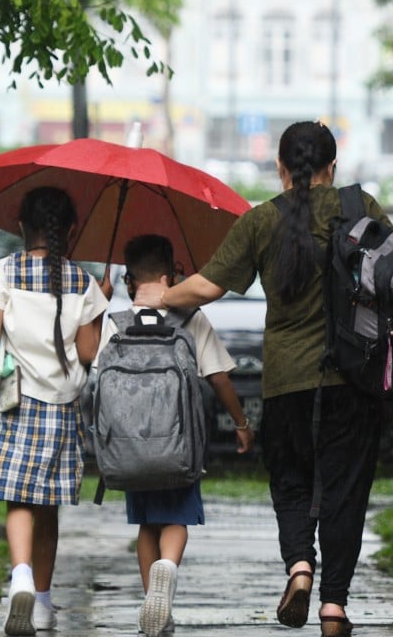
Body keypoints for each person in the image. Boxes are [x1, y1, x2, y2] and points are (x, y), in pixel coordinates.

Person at [136, 121, 390, 637]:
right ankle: (334, 607)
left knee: (291, 483)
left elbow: (206, 287)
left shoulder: (261, 221)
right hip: (352, 382)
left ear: (280, 168)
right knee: (345, 493)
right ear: (332, 168)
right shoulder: (360, 207)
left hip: (287, 381)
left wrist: (160, 295)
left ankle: (299, 566)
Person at [97, 234, 256, 637]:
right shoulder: (190, 319)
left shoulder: (115, 324)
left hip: (130, 449)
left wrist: (101, 299)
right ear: (171, 276)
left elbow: (93, 375)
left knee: (146, 525)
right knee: (177, 518)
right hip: (178, 444)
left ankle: (154, 597)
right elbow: (219, 378)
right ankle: (167, 570)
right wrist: (240, 422)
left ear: (130, 279)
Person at [0, 186, 109, 636]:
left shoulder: (2, 272)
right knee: (48, 503)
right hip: (63, 407)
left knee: (19, 498)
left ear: (19, 227)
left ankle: (22, 578)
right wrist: (99, 306)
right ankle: (45, 602)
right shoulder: (82, 282)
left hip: (15, 401)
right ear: (70, 231)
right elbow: (89, 353)